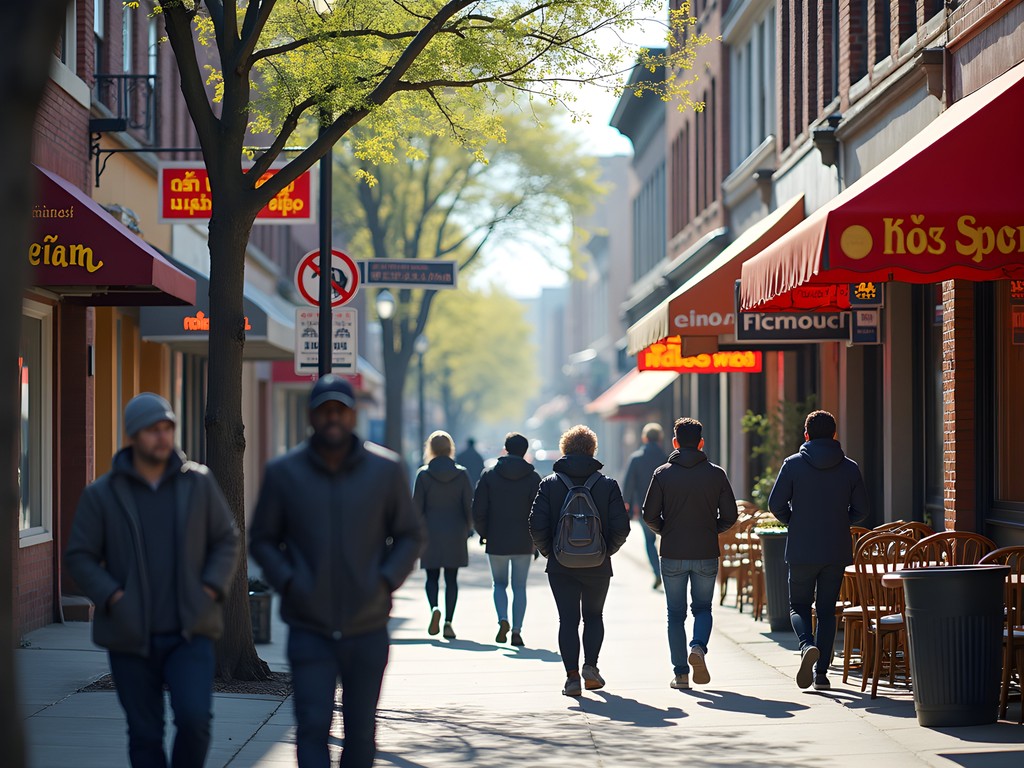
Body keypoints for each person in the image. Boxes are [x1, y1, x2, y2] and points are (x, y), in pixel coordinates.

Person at [249, 375, 424, 768]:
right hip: (309, 626)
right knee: (311, 726)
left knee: (361, 733)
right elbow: (262, 539)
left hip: (367, 626)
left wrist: (384, 580)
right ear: (312, 414)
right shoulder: (284, 473)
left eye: (340, 410)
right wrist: (291, 582)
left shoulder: (386, 470)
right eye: (325, 409)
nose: (333, 417)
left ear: (353, 415)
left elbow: (410, 535)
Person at [65, 393, 239, 768]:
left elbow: (226, 538)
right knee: (145, 734)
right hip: (131, 636)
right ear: (133, 435)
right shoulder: (103, 493)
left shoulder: (199, 483)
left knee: (195, 721)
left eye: (167, 428)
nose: (162, 437)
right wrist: (113, 596)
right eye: (152, 430)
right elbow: (79, 556)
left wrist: (209, 587)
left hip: (189, 632)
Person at [768, 409, 869, 691]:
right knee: (826, 611)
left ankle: (806, 645)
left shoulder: (792, 465)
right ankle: (822, 675)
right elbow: (862, 510)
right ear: (834, 435)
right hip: (835, 548)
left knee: (798, 605)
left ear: (806, 435)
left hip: (801, 548)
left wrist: (795, 522)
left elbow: (775, 504)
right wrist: (840, 521)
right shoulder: (850, 467)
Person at [529, 425, 630, 696]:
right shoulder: (607, 485)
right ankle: (591, 667)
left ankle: (572, 678)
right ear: (592, 450)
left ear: (564, 450)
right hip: (598, 565)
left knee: (568, 620)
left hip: (561, 565)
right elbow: (622, 527)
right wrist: (605, 551)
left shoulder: (550, 484)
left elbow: (535, 525)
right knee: (594, 616)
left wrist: (551, 553)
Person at [642, 418, 738, 690]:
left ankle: (681, 674)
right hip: (705, 551)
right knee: (703, 608)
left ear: (674, 442)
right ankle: (698, 646)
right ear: (701, 443)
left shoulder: (662, 473)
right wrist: (711, 529)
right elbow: (730, 515)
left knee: (675, 614)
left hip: (672, 552)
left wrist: (666, 531)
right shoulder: (716, 474)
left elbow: (649, 515)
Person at [472, 432, 542, 647]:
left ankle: (503, 619)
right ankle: (517, 630)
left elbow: (478, 509)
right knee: (519, 586)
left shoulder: (489, 475)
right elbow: (540, 512)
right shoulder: (533, 478)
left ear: (505, 448)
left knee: (499, 583)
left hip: (497, 538)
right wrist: (538, 540)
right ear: (525, 451)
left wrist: (484, 533)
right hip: (524, 540)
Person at [415, 430, 474, 639]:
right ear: (450, 448)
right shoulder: (461, 473)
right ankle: (448, 621)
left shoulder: (423, 475)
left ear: (430, 449)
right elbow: (468, 504)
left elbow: (417, 508)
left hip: (430, 533)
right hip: (455, 532)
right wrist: (469, 528)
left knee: (431, 577)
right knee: (451, 579)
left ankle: (434, 609)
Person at [622, 422, 668, 589]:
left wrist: (625, 505)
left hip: (643, 508)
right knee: (666, 541)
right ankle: (667, 572)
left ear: (644, 438)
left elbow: (628, 485)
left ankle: (657, 572)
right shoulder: (666, 459)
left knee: (649, 541)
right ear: (660, 439)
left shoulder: (636, 458)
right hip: (665, 508)